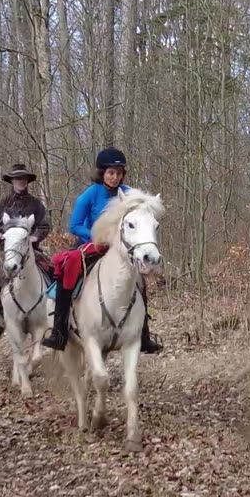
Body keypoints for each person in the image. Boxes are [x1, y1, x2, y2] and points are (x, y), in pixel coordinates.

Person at [41, 147, 163, 354]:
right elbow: (75, 225)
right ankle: (59, 330)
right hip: (91, 243)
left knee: (139, 282)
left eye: (119, 173)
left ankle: (143, 334)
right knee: (68, 268)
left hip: (122, 246)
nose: (115, 178)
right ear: (102, 173)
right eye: (111, 173)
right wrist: (98, 236)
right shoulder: (90, 195)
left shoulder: (130, 195)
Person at [0, 164, 51, 335]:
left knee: (52, 270)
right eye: (17, 178)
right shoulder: (3, 203)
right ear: (12, 180)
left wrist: (35, 237)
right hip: (6, 250)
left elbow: (44, 225)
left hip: (30, 249)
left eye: (23, 178)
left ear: (28, 180)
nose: (21, 181)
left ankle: (53, 312)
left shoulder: (36, 204)